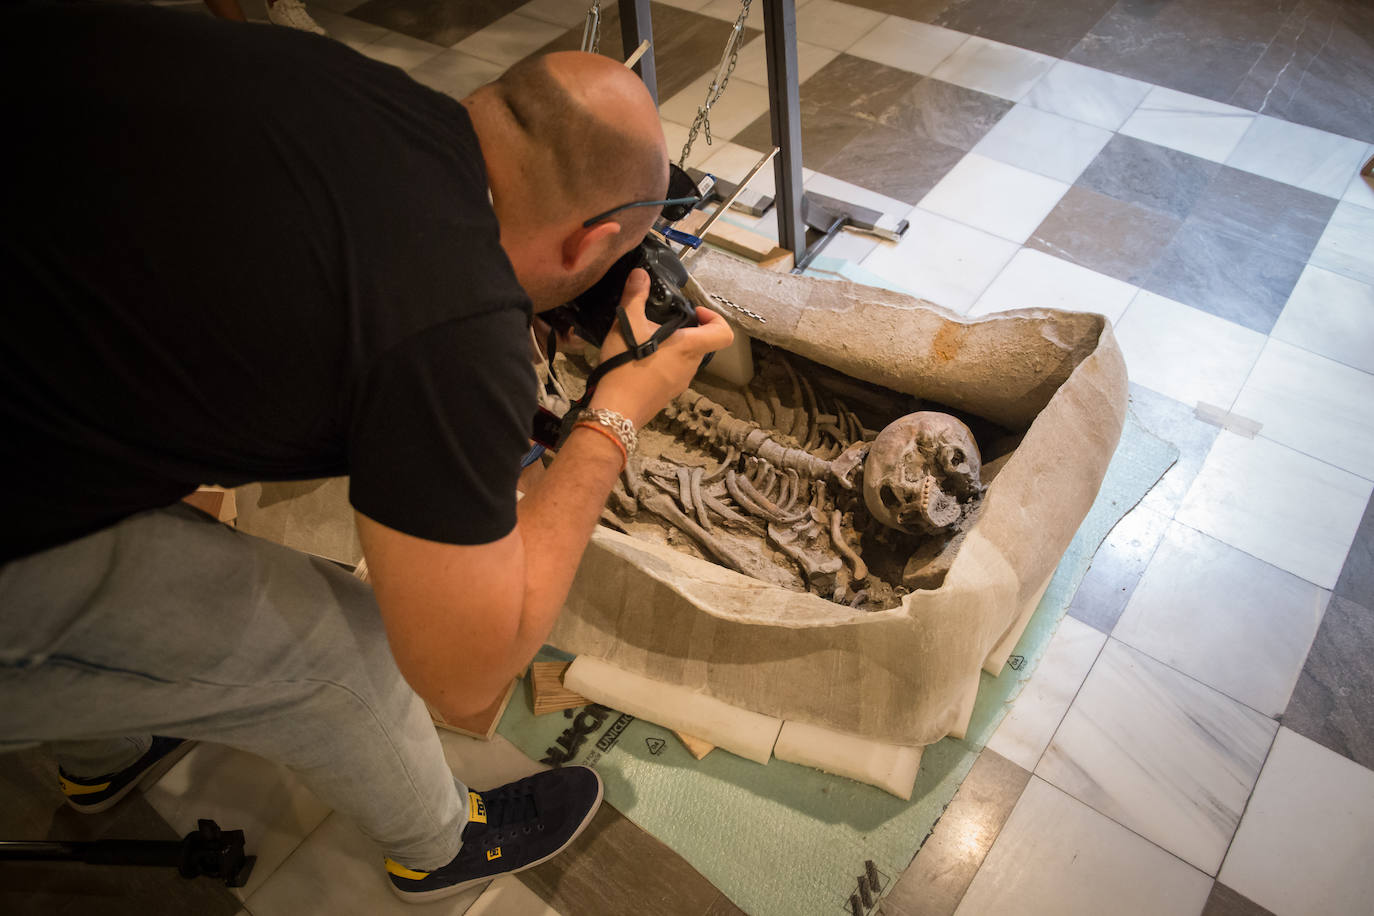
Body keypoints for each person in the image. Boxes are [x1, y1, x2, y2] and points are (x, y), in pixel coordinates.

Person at [0, 2, 732, 903]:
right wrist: (616, 408)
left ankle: (104, 747)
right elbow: (466, 674)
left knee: (182, 524)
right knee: (345, 650)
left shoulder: (358, 91)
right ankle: (436, 847)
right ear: (589, 242)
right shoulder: (452, 326)